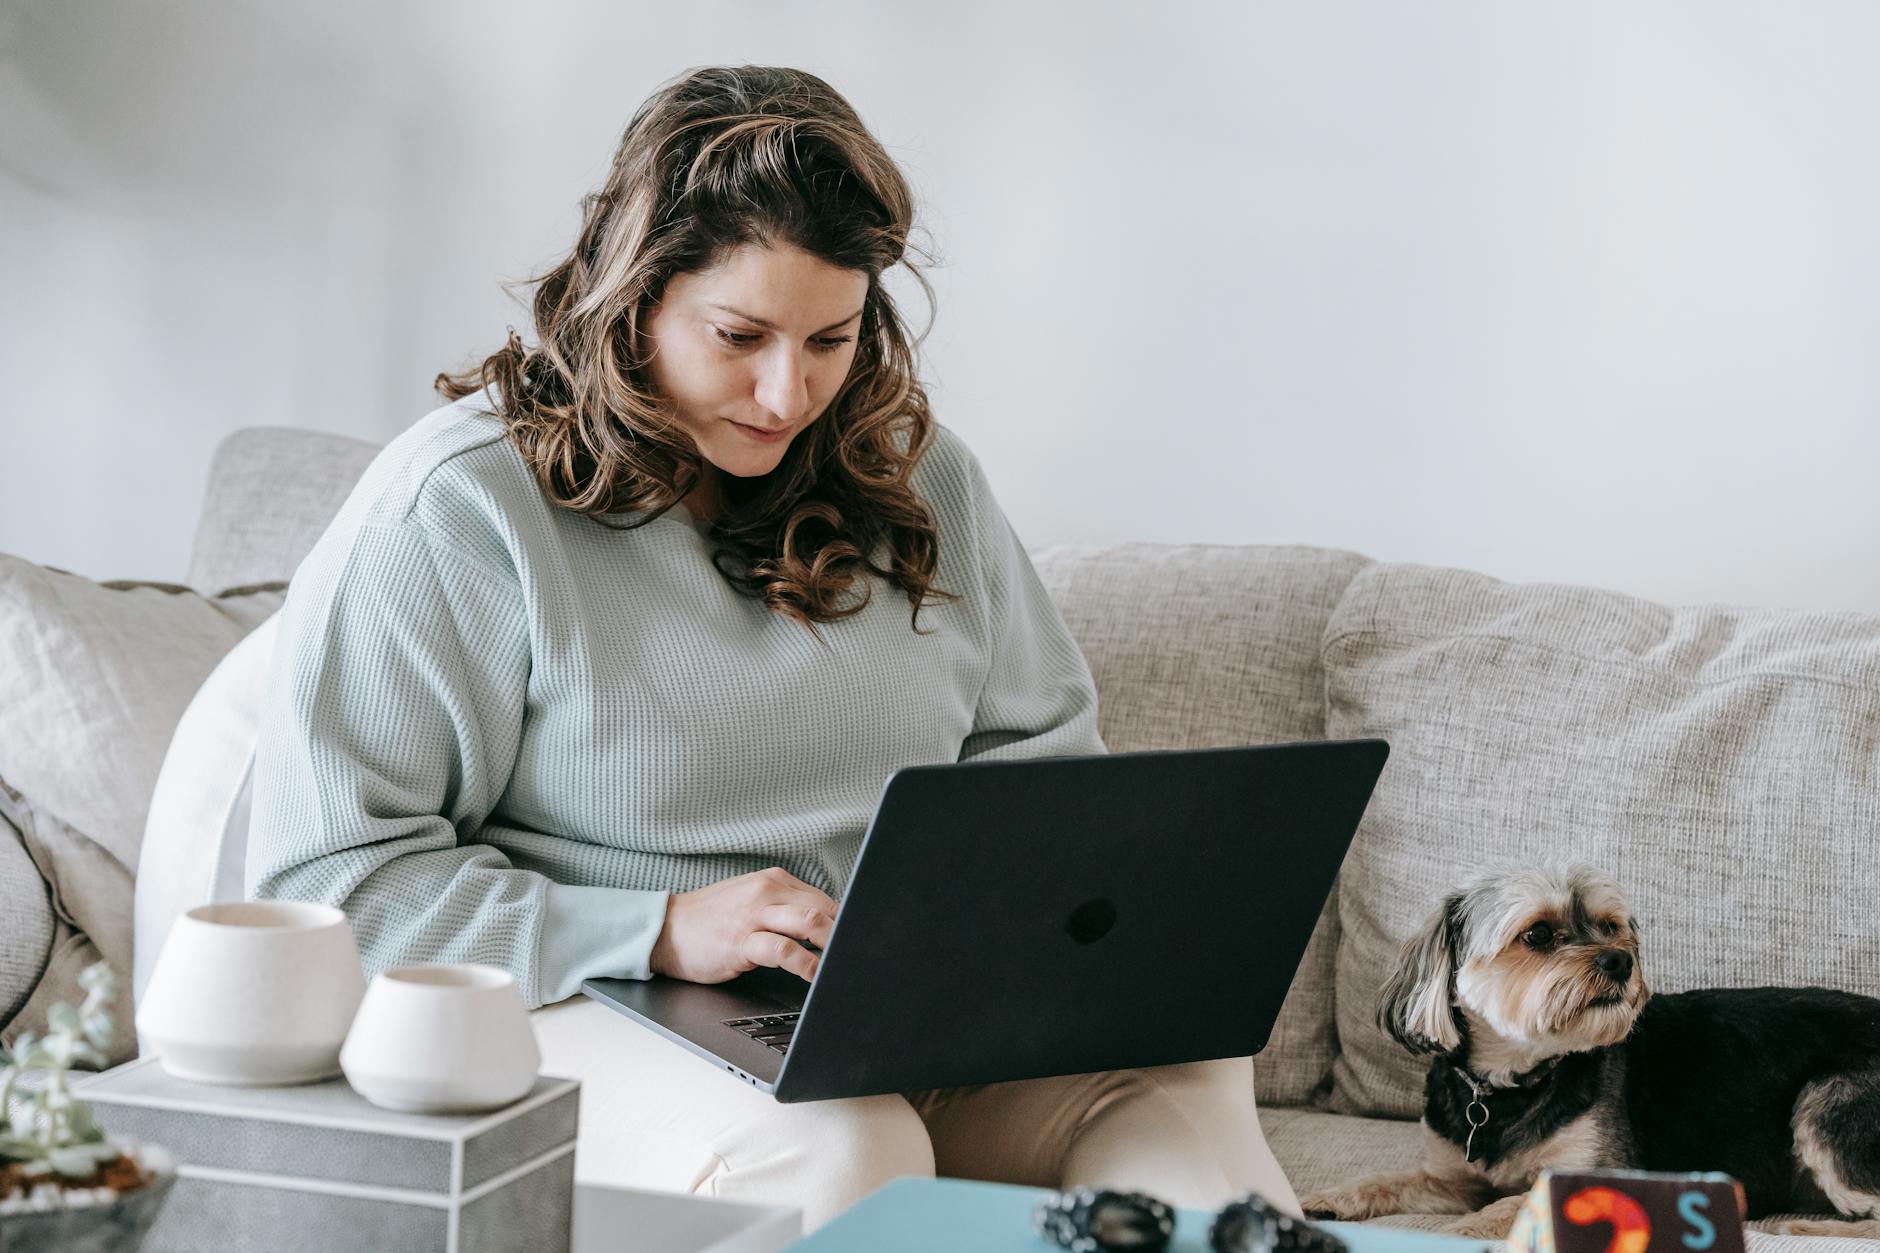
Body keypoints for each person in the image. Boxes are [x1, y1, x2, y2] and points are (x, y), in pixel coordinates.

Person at [246, 64, 1301, 1232]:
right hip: (585, 996)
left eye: (830, 338)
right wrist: (653, 924)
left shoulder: (923, 477)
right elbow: (326, 882)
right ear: (631, 296)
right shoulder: (456, 508)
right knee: (841, 1141)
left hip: (889, 1005)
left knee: (1183, 1084)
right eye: (737, 335)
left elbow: (1037, 767)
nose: (784, 390)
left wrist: (1041, 940)